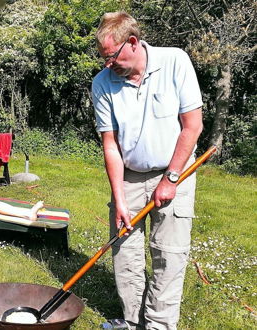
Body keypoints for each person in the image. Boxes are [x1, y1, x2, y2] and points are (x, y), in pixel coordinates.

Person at [91, 11, 203, 330]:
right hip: (129, 175)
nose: (107, 65)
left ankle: (158, 325)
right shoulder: (103, 83)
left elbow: (192, 127)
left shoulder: (174, 62)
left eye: (111, 57)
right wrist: (120, 199)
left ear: (133, 42)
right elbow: (110, 145)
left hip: (176, 171)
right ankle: (131, 321)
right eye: (103, 58)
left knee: (169, 253)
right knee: (124, 250)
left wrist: (171, 179)